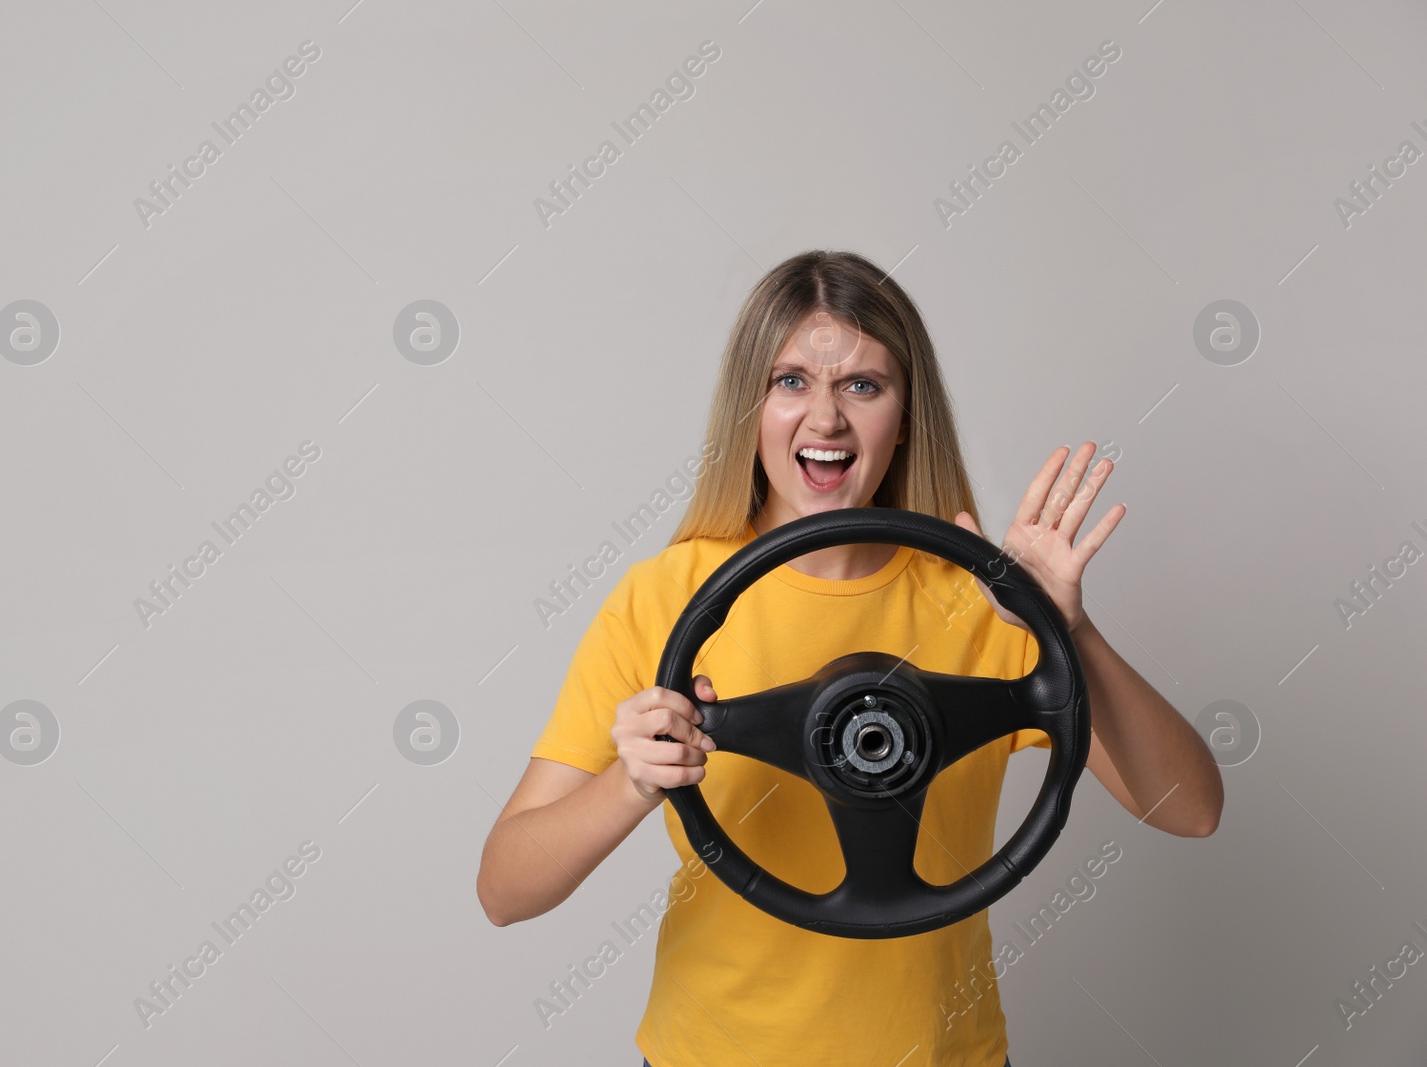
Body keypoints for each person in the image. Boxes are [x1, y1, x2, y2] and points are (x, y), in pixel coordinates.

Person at [476, 250, 1224, 1067]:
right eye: (790, 381)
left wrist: (1063, 624)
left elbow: (1189, 808)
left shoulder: (984, 599)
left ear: (905, 417)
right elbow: (506, 890)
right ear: (748, 411)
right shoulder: (665, 598)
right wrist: (632, 781)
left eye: (862, 385)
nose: (824, 419)